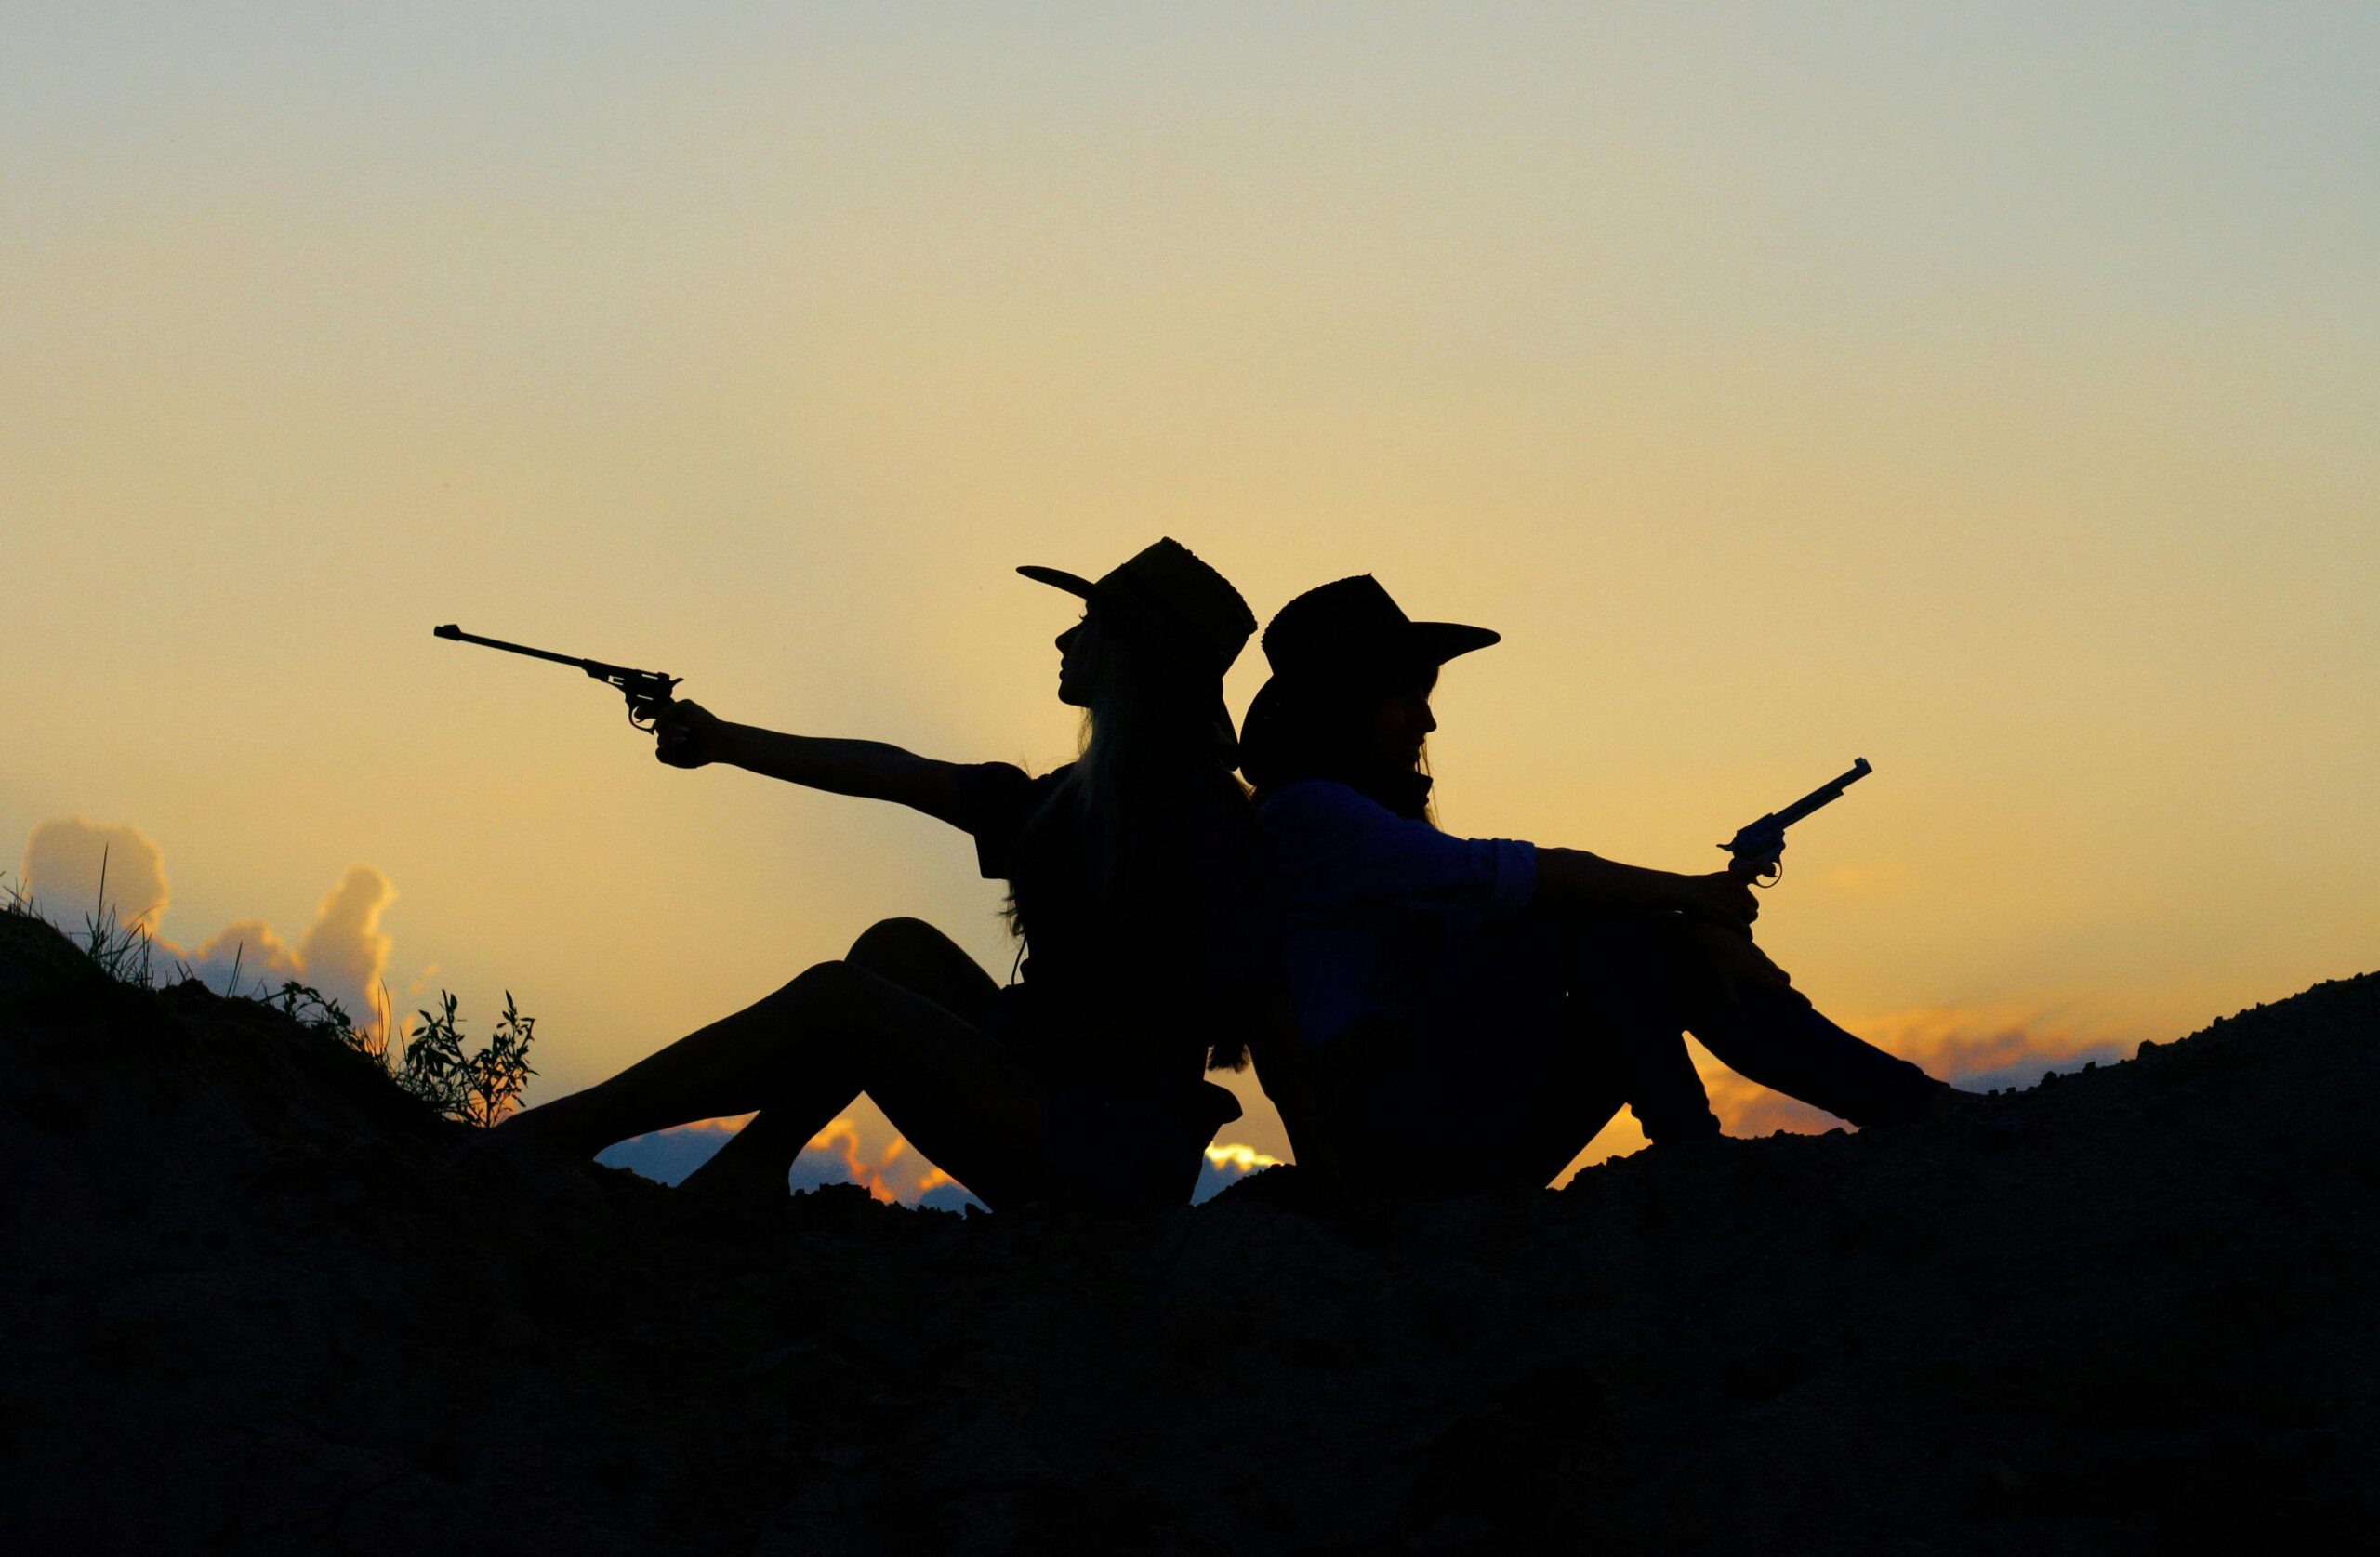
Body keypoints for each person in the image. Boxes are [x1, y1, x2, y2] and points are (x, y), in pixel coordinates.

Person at [500, 539, 1272, 1212]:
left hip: (1105, 1148)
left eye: (1091, 624)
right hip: (1051, 1094)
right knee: (896, 949)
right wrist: (727, 741)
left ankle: (569, 1129)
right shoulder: (1073, 801)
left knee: (843, 1001)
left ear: (1129, 654)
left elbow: (1233, 992)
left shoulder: (1199, 818)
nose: (1067, 636)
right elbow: (894, 773)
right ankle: (751, 1166)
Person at [1236, 574, 1952, 1194]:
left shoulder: (1353, 825)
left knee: (1641, 941)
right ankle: (1705, 1146)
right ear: (1344, 704)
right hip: (1391, 1142)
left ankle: (1909, 1107)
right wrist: (1694, 896)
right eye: (1404, 696)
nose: (1426, 719)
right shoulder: (1307, 814)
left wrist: (1688, 929)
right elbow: (1523, 879)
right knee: (1586, 921)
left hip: (1439, 1124)